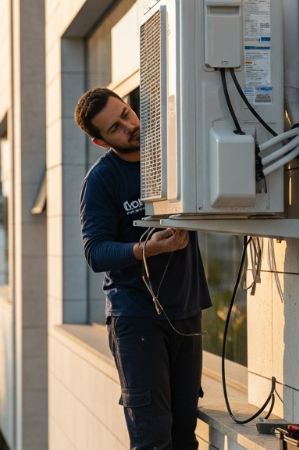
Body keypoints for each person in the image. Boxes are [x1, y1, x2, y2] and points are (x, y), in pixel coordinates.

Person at [75, 87, 211, 449]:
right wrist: (145, 249)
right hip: (136, 319)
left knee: (184, 438)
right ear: (101, 142)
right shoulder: (102, 181)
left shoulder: (172, 153)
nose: (129, 126)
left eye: (126, 113)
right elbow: (96, 252)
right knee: (154, 440)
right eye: (114, 128)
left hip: (186, 310)